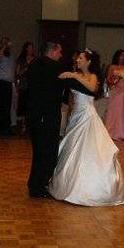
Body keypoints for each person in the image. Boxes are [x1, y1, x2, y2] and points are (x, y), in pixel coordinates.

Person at [48, 49, 124, 206]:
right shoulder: (75, 74)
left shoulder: (92, 76)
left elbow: (92, 89)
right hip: (76, 116)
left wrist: (74, 76)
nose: (78, 60)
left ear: (88, 62)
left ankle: (89, 189)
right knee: (72, 149)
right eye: (78, 58)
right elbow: (72, 98)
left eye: (80, 58)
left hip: (88, 115)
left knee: (90, 148)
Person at [26, 42, 95, 198]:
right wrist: (80, 79)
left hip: (34, 114)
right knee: (48, 153)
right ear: (51, 51)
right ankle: (39, 187)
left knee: (38, 151)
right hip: (47, 116)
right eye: (59, 52)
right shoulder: (54, 67)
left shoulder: (34, 63)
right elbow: (79, 86)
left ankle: (34, 183)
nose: (61, 55)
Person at [104, 50, 124, 141]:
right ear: (117, 57)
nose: (123, 57)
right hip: (117, 91)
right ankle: (114, 133)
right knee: (116, 112)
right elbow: (108, 79)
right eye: (121, 56)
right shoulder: (112, 67)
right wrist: (114, 81)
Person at [0, 37, 15, 135]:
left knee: (7, 106)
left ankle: (7, 127)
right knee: (1, 106)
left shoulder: (10, 55)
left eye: (8, 43)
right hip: (0, 83)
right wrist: (3, 47)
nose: (7, 45)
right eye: (5, 43)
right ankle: (1, 128)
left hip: (8, 84)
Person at [15, 42, 35, 133]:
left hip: (33, 85)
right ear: (25, 49)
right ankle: (23, 125)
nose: (30, 50)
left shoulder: (35, 59)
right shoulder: (21, 59)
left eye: (32, 48)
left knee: (31, 105)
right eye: (29, 48)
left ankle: (30, 124)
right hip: (23, 84)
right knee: (23, 105)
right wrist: (26, 69)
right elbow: (17, 73)